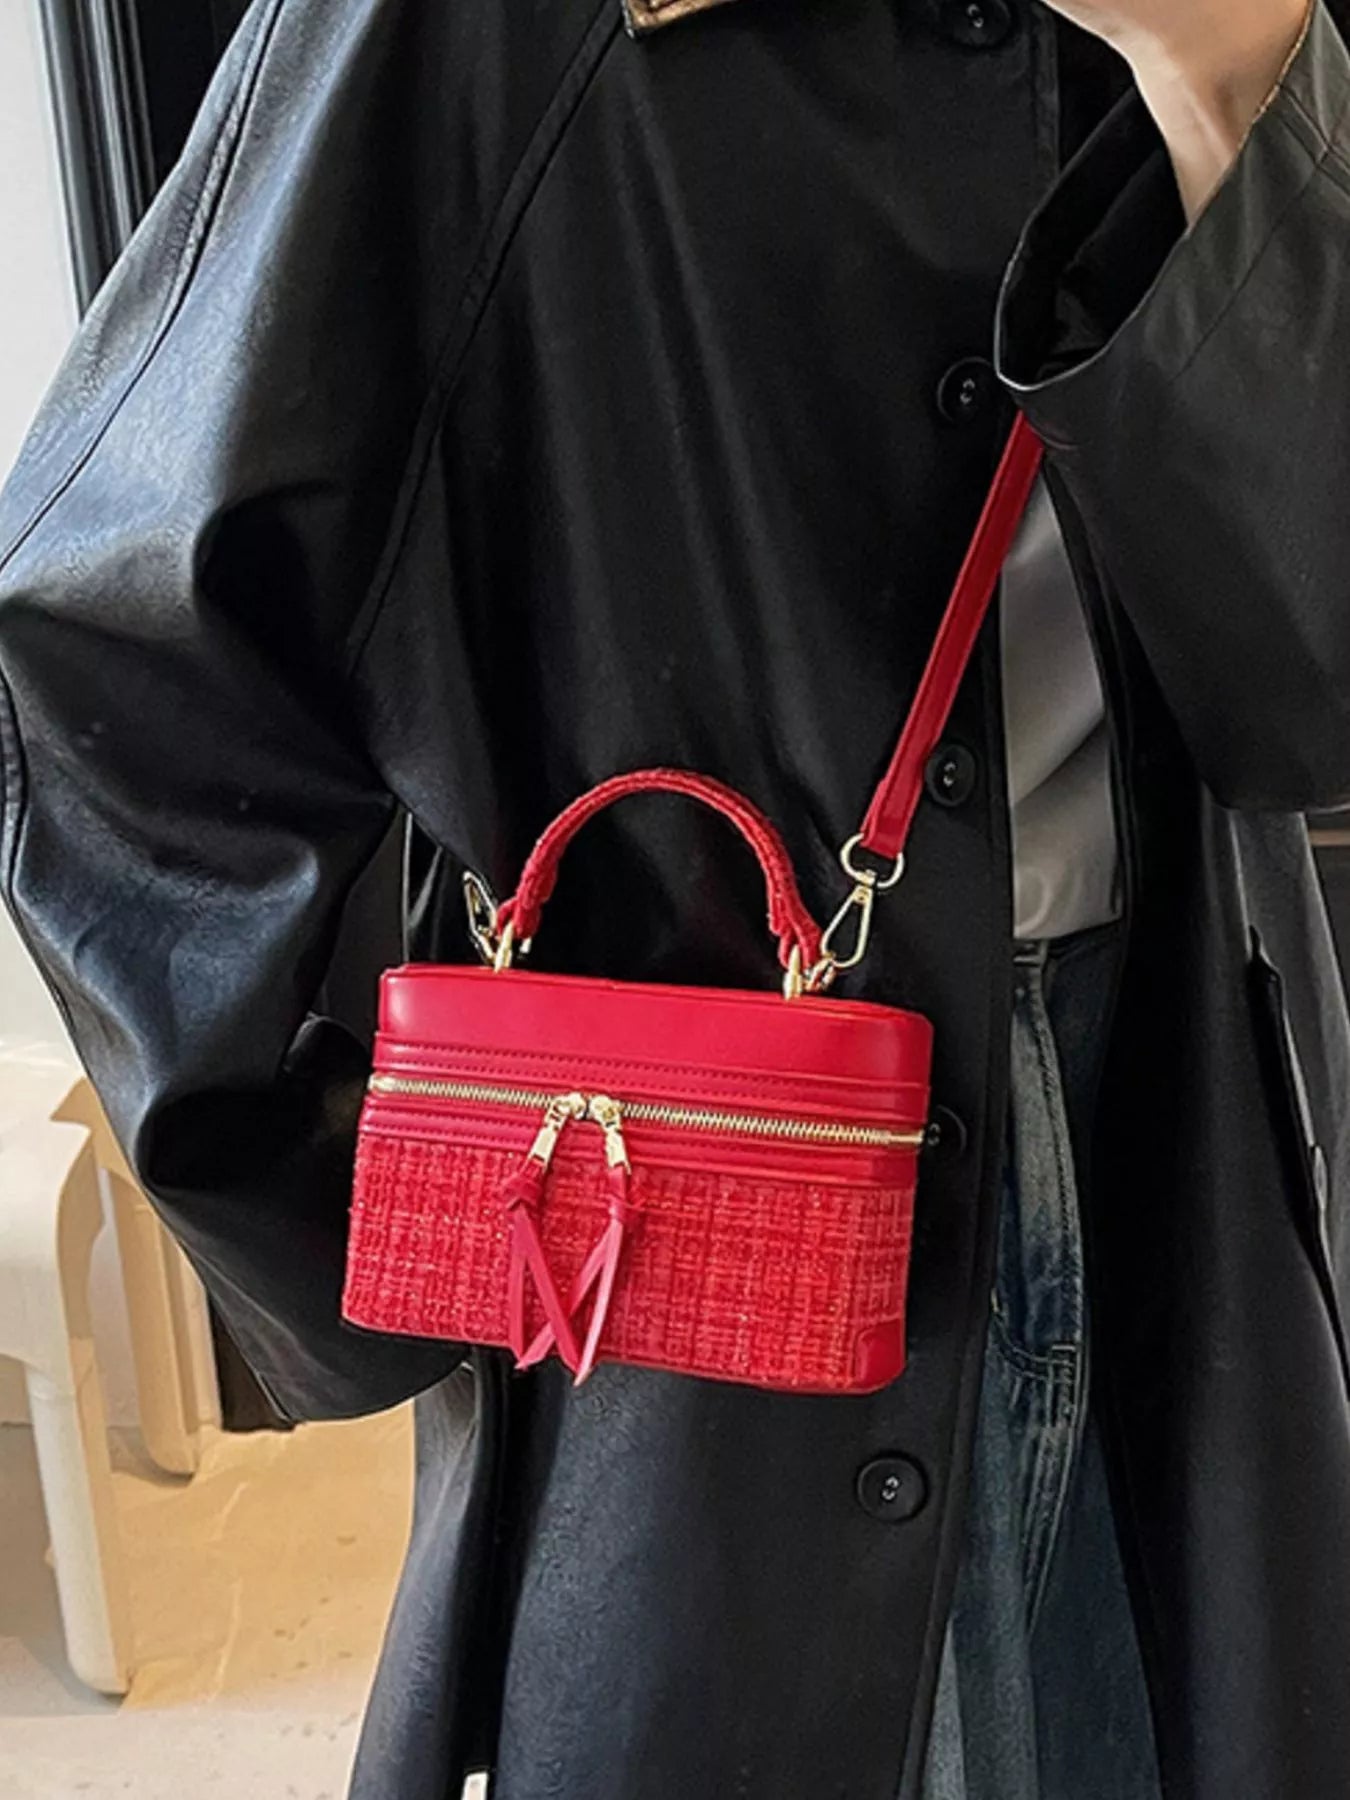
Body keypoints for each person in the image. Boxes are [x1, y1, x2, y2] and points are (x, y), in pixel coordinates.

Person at [0, 0, 1345, 1794]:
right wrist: (390, 1200)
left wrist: (1228, 76)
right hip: (690, 1213)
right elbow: (101, 636)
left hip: (1191, 1111)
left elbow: (1314, 704)